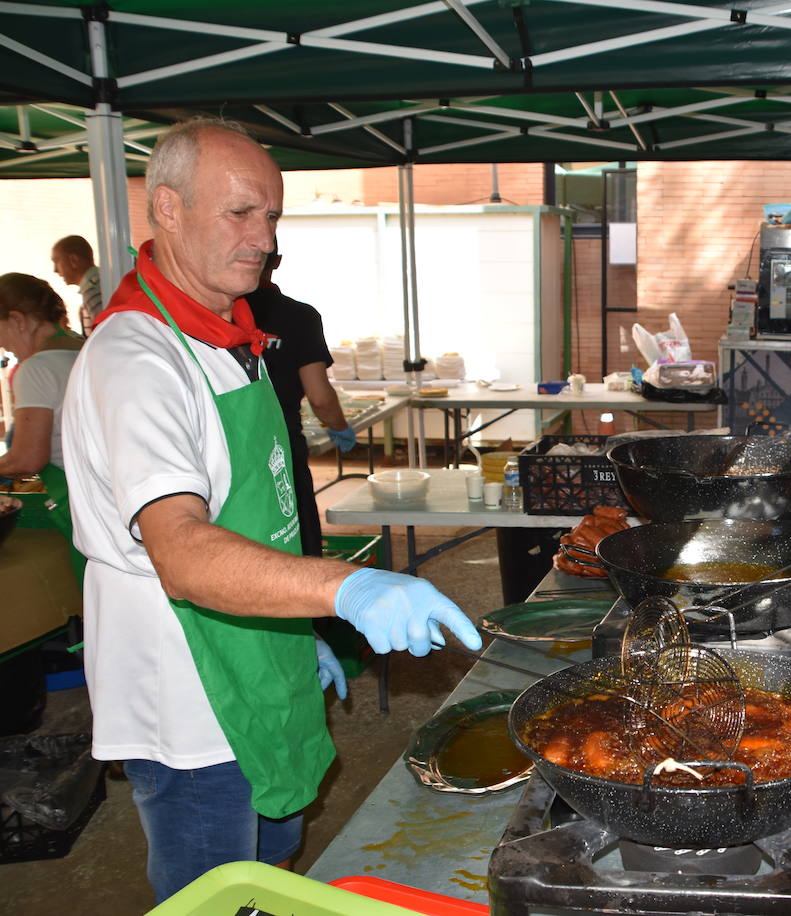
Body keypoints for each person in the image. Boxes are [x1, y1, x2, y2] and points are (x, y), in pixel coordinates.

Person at [60, 117, 483, 904]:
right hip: (193, 691)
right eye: (240, 213)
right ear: (168, 208)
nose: (264, 238)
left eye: (273, 215)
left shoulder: (229, 337)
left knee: (279, 858)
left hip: (264, 647)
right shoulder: (137, 359)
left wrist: (294, 633)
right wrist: (348, 588)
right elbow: (182, 553)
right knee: (219, 889)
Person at [245, 246, 355, 558]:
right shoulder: (298, 316)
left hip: (230, 443)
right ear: (277, 261)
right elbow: (320, 397)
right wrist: (339, 427)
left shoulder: (215, 314)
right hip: (282, 444)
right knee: (296, 532)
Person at [0, 274, 83, 567]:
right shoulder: (84, 346)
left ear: (17, 320)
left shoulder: (36, 368)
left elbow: (28, 458)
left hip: (81, 500)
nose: (4, 347)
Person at [51, 235, 103, 334]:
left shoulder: (93, 289)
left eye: (57, 261)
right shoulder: (98, 284)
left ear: (73, 260)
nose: (55, 270)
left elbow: (105, 332)